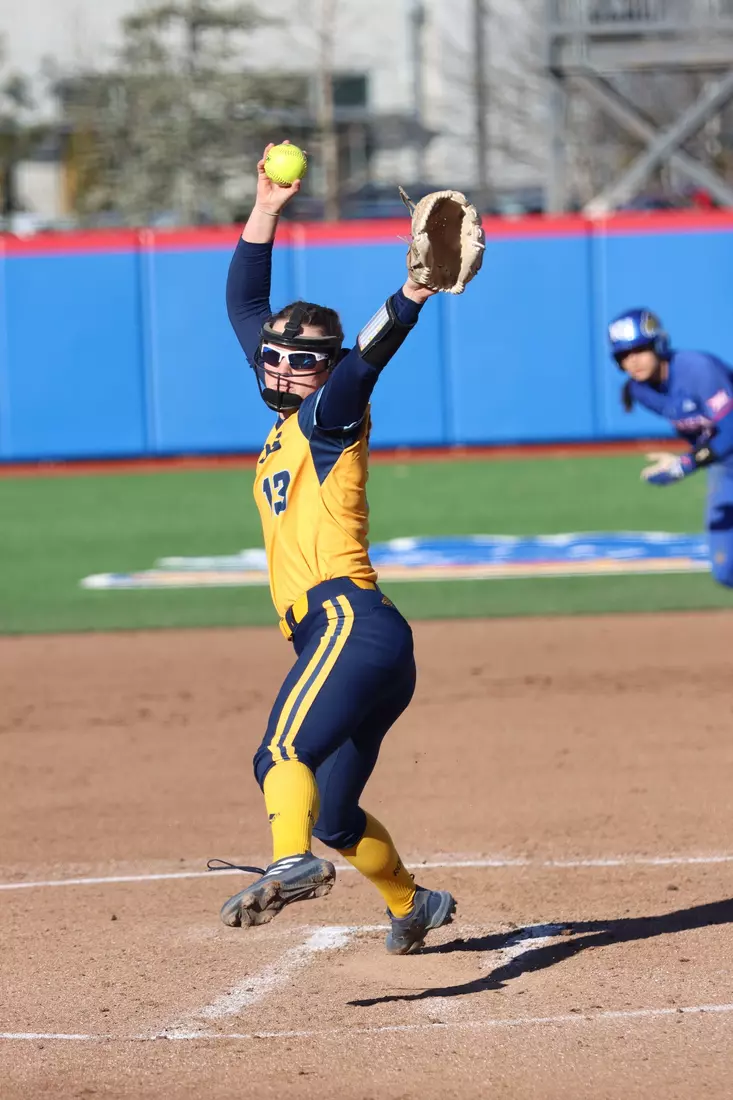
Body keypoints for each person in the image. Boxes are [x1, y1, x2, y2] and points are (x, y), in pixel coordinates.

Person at [218, 142, 456, 954]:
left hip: (346, 623)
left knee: (282, 751)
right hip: (363, 640)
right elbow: (245, 306)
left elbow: (365, 362)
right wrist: (265, 211)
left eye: (299, 363)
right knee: (334, 812)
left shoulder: (327, 415)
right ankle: (412, 903)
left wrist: (413, 292)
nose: (280, 369)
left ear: (323, 373)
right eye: (274, 359)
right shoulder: (291, 415)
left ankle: (286, 863)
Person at [608, 307, 733, 587]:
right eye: (623, 355)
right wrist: (687, 457)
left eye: (639, 349)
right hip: (726, 469)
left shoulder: (697, 369)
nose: (632, 361)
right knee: (726, 570)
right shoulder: (640, 391)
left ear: (658, 344)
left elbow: (731, 430)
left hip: (724, 455)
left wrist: (686, 463)